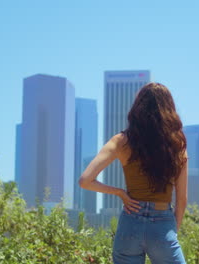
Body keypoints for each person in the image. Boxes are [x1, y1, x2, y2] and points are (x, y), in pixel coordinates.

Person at [79, 82, 188, 264]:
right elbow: (182, 200)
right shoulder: (177, 146)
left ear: (138, 108)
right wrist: (170, 231)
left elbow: (85, 181)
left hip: (130, 223)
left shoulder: (121, 141)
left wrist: (120, 193)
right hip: (162, 224)